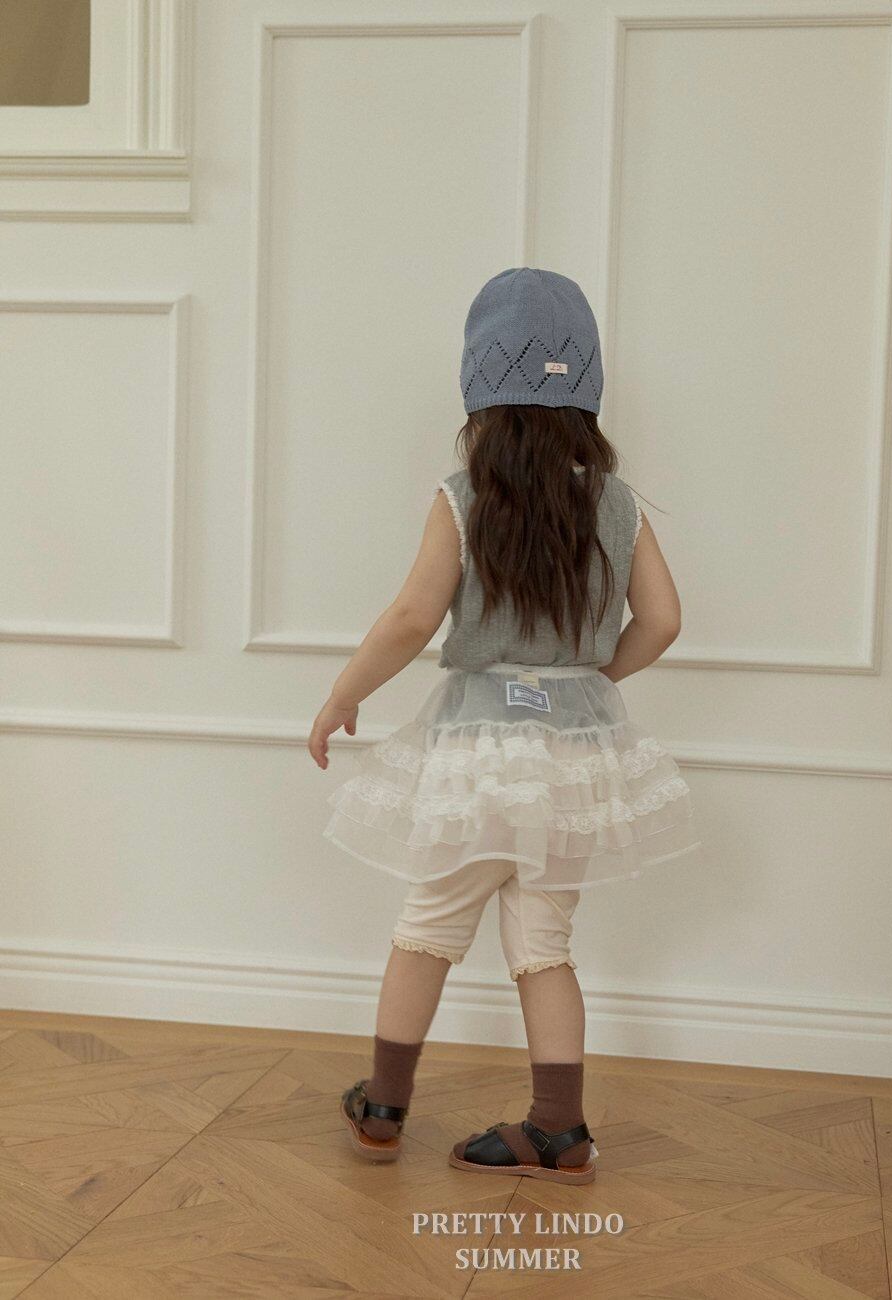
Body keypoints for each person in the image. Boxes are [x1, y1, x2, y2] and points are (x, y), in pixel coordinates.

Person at [308, 267, 701, 1185]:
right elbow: (664, 620)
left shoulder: (464, 497)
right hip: (575, 756)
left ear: (478, 396)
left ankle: (383, 1108)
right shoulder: (617, 503)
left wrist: (342, 695)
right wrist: (591, 680)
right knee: (545, 943)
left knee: (428, 925)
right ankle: (558, 1129)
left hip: (480, 755)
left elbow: (413, 617)